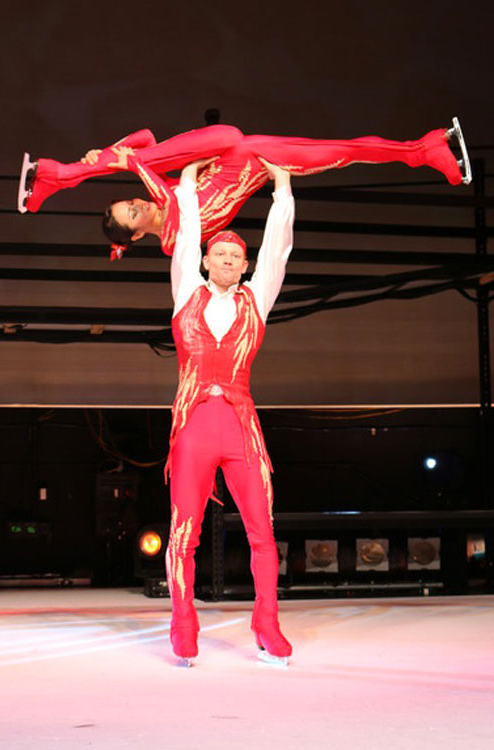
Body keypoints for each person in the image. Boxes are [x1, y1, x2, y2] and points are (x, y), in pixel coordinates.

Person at [164, 154, 294, 665]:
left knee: (263, 530)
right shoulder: (186, 293)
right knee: (184, 532)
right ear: (205, 261)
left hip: (241, 426)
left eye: (235, 256)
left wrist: (282, 188)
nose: (225, 260)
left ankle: (267, 623)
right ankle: (183, 623)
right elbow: (186, 236)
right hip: (194, 425)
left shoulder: (256, 300)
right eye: (218, 253)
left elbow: (278, 249)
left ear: (245, 266)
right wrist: (187, 183)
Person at [18, 119, 469, 260]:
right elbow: (153, 174)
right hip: (255, 156)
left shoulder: (160, 188)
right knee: (346, 151)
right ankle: (425, 149)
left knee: (143, 156)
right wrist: (127, 161)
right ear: (137, 235)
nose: (137, 202)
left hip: (231, 146)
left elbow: (146, 138)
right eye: (133, 212)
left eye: (130, 201)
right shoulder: (174, 239)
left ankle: (60, 175)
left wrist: (109, 152)